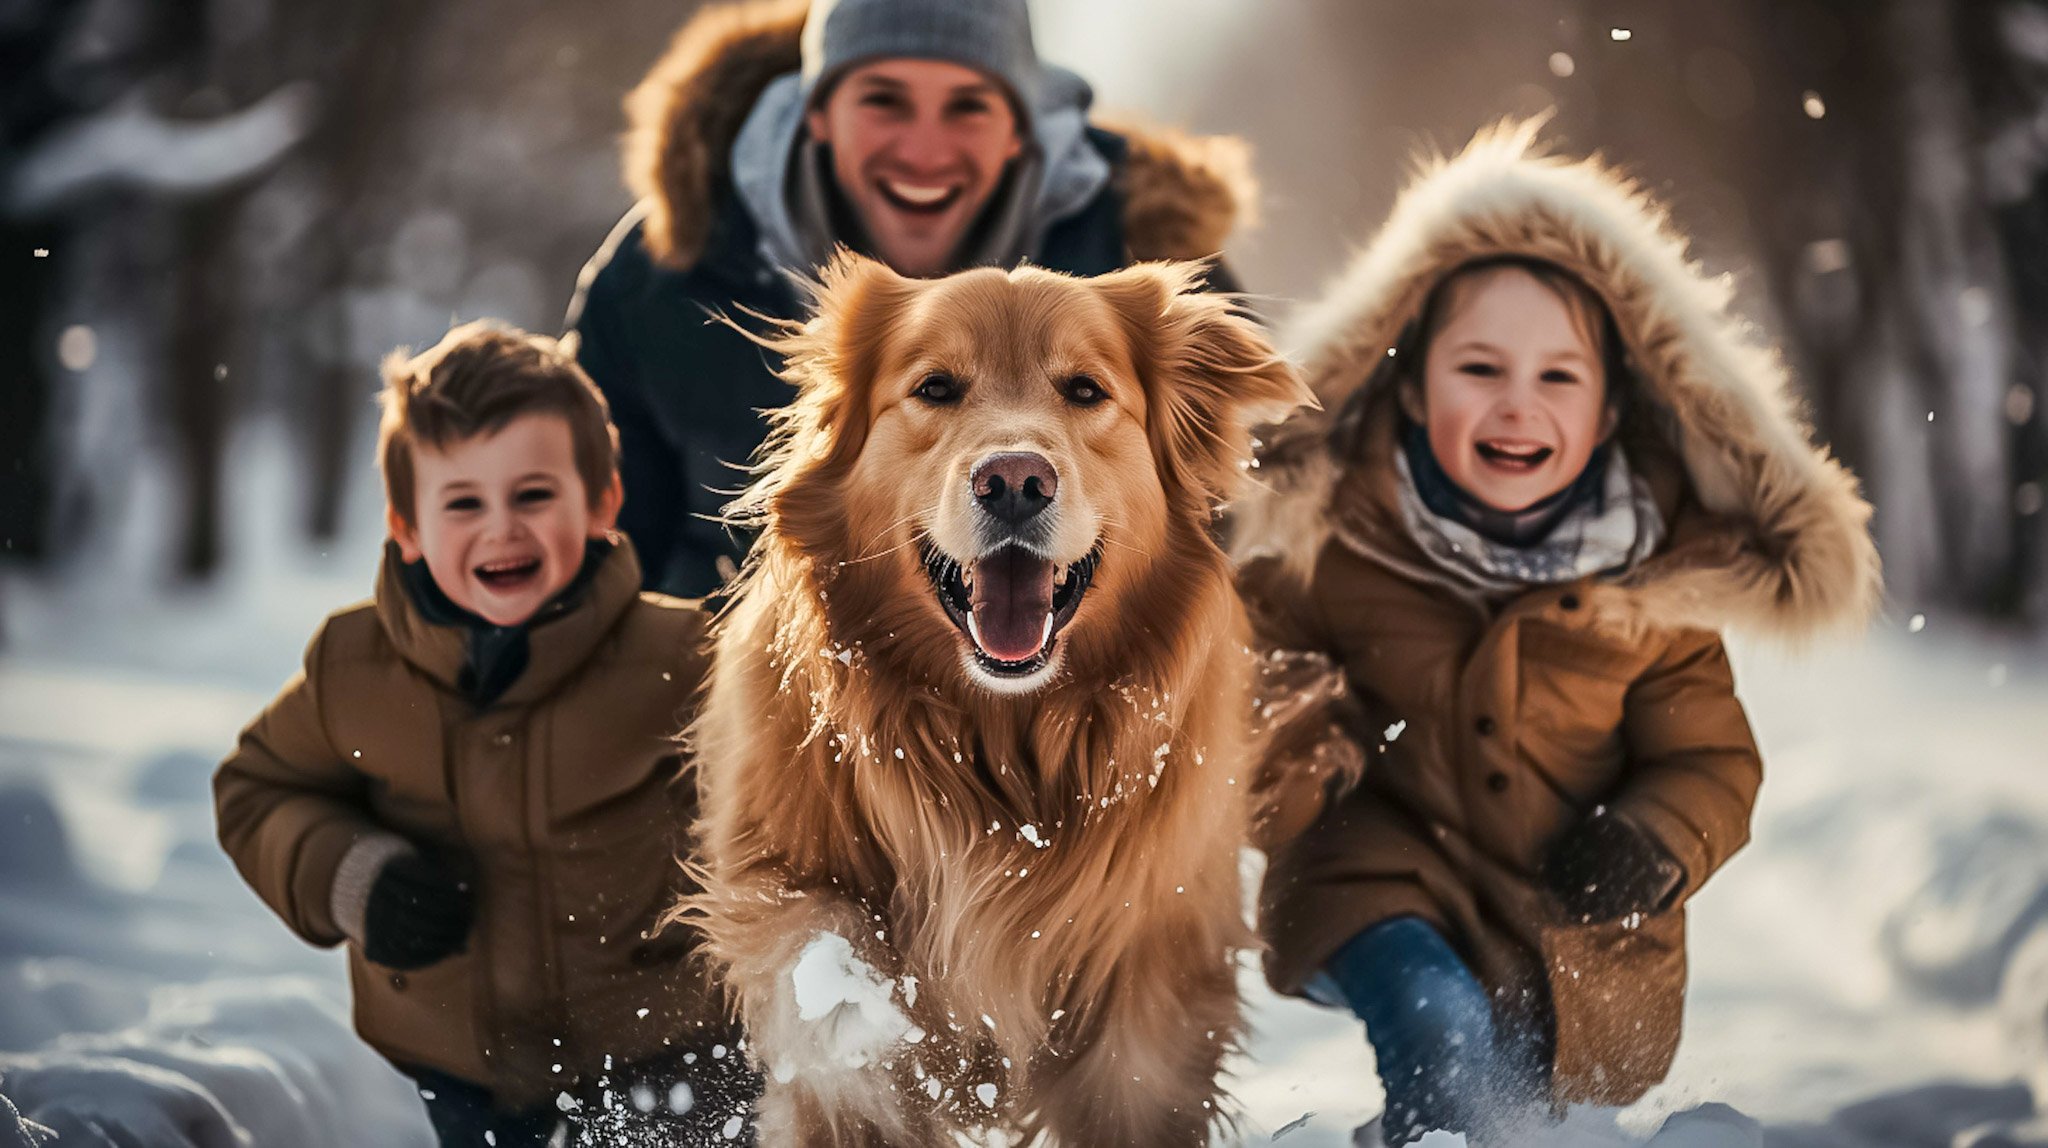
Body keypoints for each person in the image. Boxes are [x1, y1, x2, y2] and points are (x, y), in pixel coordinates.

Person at [1233, 123, 1881, 1145]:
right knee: (1439, 1031)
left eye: (1556, 378)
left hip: (1568, 910)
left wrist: (1653, 839)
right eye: (1477, 367)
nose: (1515, 405)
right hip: (1373, 874)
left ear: (1612, 407)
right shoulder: (1331, 540)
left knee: (1523, 1105)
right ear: (1406, 385)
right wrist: (1291, 747)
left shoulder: (1654, 577)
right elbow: (1251, 679)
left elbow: (1709, 757)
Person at [212, 322, 755, 1146]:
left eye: (533, 495)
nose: (501, 528)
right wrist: (350, 877)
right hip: (464, 1069)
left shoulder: (685, 656)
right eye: (463, 503)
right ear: (407, 526)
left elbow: (784, 807)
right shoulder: (355, 668)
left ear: (603, 502)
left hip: (672, 1059)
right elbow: (257, 791)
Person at [567, 0, 1257, 597]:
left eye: (968, 106)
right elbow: (587, 567)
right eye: (883, 100)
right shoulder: (665, 276)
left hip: (1097, 710)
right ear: (818, 113)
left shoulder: (1148, 255)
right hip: (722, 696)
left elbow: (1251, 533)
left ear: (1020, 127)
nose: (925, 150)